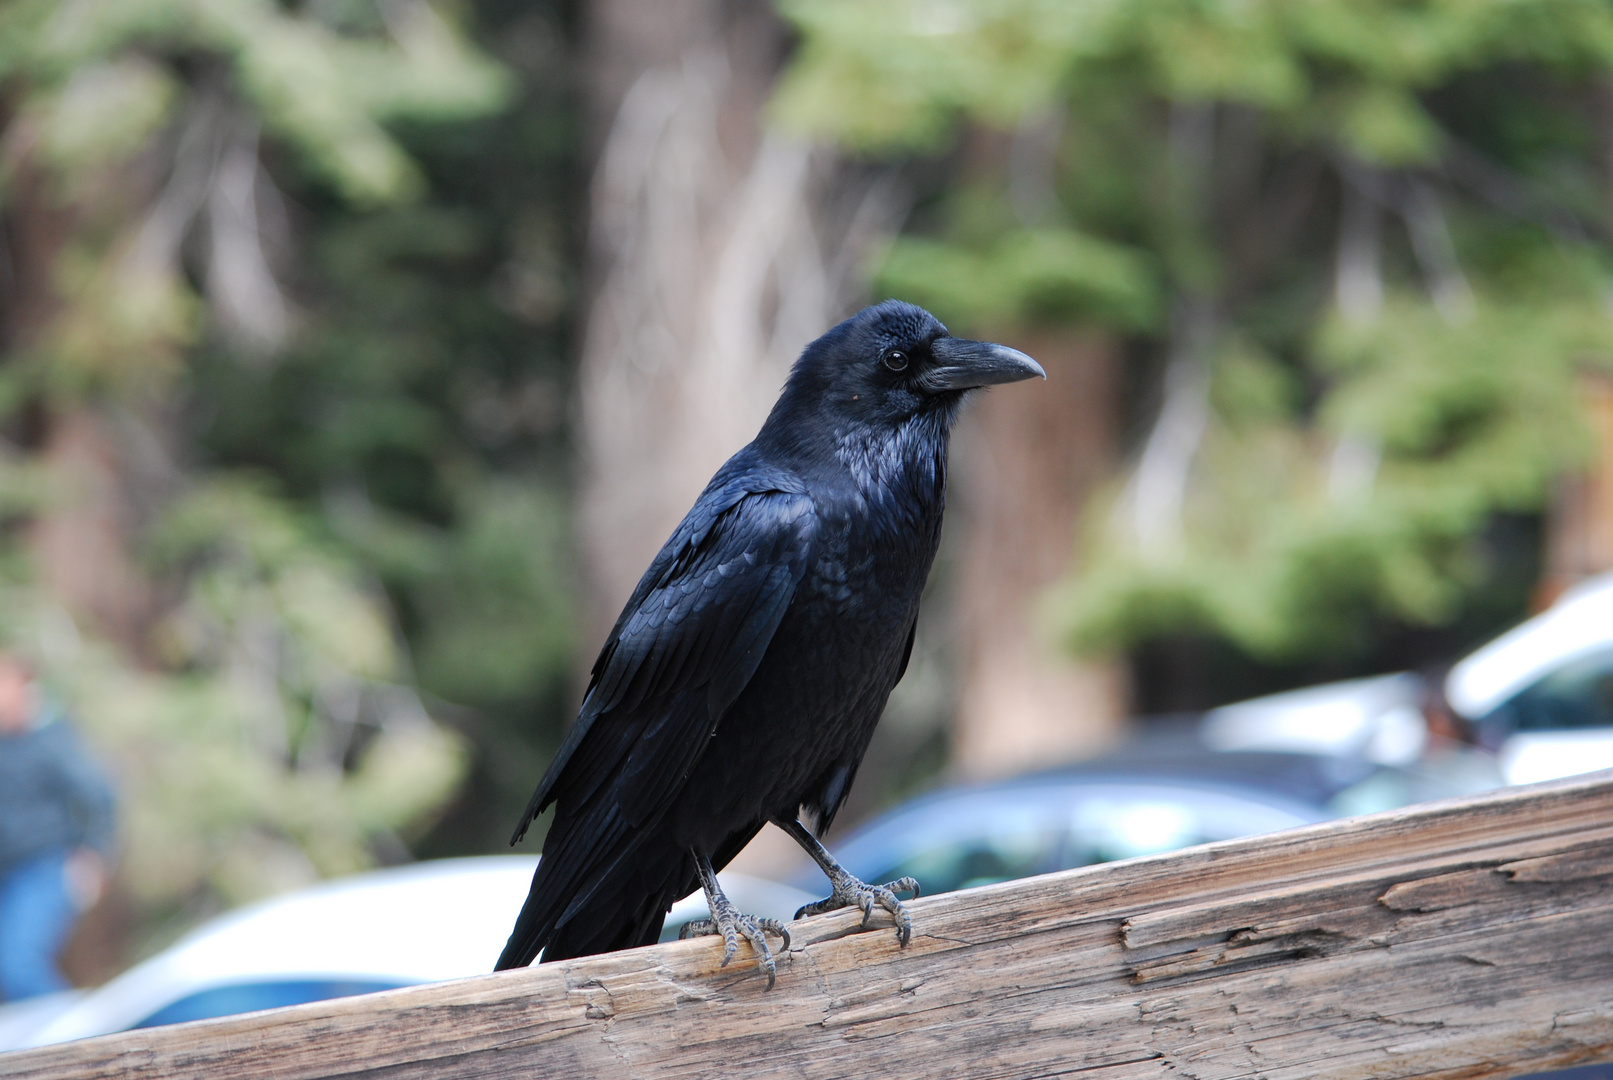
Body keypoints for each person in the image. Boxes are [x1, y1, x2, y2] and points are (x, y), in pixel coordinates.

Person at [0, 650, 116, 1002]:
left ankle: (78, 1040)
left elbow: (99, 796)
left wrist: (94, 855)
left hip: (45, 867)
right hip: (8, 872)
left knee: (17, 964)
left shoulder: (51, 739)